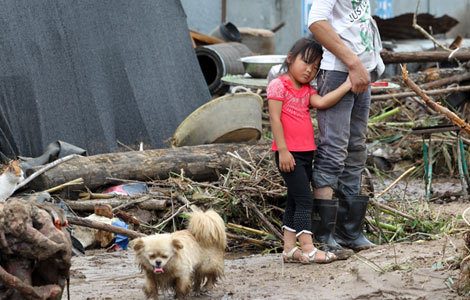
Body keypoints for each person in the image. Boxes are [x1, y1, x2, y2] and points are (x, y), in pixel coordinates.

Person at [307, 0, 385, 253]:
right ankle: (323, 236)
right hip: (339, 72)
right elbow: (316, 22)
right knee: (333, 152)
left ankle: (350, 231)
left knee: (356, 149)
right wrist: (353, 63)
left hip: (362, 72)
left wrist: (364, 65)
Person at [268, 38, 352, 263]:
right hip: (289, 154)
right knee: (305, 199)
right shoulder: (279, 85)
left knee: (294, 200)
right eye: (305, 63)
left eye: (315, 67)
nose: (309, 70)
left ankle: (288, 249)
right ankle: (307, 247)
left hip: (306, 154)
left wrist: (346, 85)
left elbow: (323, 102)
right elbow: (275, 119)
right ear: (290, 58)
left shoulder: (307, 91)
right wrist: (283, 151)